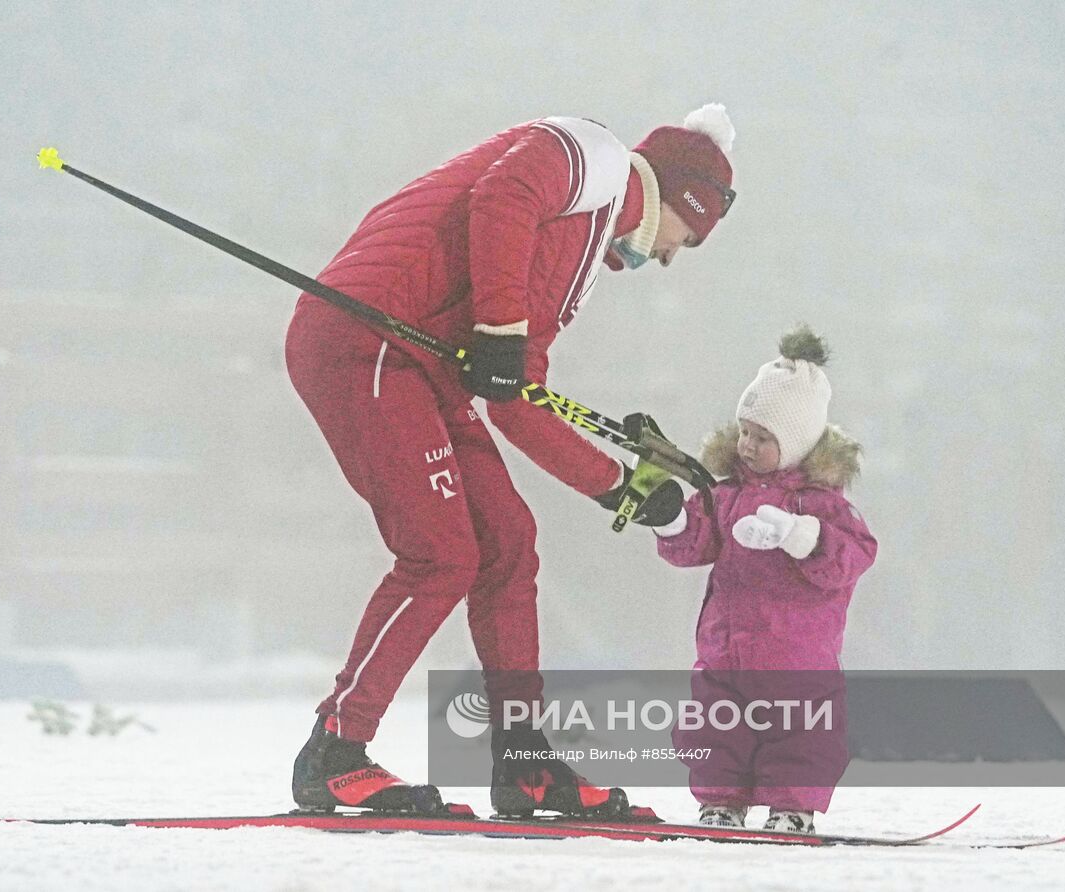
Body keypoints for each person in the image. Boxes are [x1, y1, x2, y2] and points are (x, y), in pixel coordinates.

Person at [284, 105, 738, 815]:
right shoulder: (595, 157)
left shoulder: (581, 253)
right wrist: (499, 323)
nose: (674, 256)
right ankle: (334, 750)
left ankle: (522, 764)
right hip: (363, 334)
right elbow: (506, 191)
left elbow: (517, 401)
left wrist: (623, 488)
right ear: (681, 202)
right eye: (691, 237)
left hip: (418, 365)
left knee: (508, 541)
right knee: (441, 553)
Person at [650, 326, 877, 833]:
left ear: (796, 444)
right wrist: (674, 522)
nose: (748, 445)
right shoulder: (725, 494)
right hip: (725, 652)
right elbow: (696, 543)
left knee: (800, 735)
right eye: (745, 431)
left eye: (763, 437)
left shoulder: (824, 505)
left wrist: (800, 535)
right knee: (715, 729)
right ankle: (720, 803)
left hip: (796, 659)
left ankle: (792, 808)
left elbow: (853, 557)